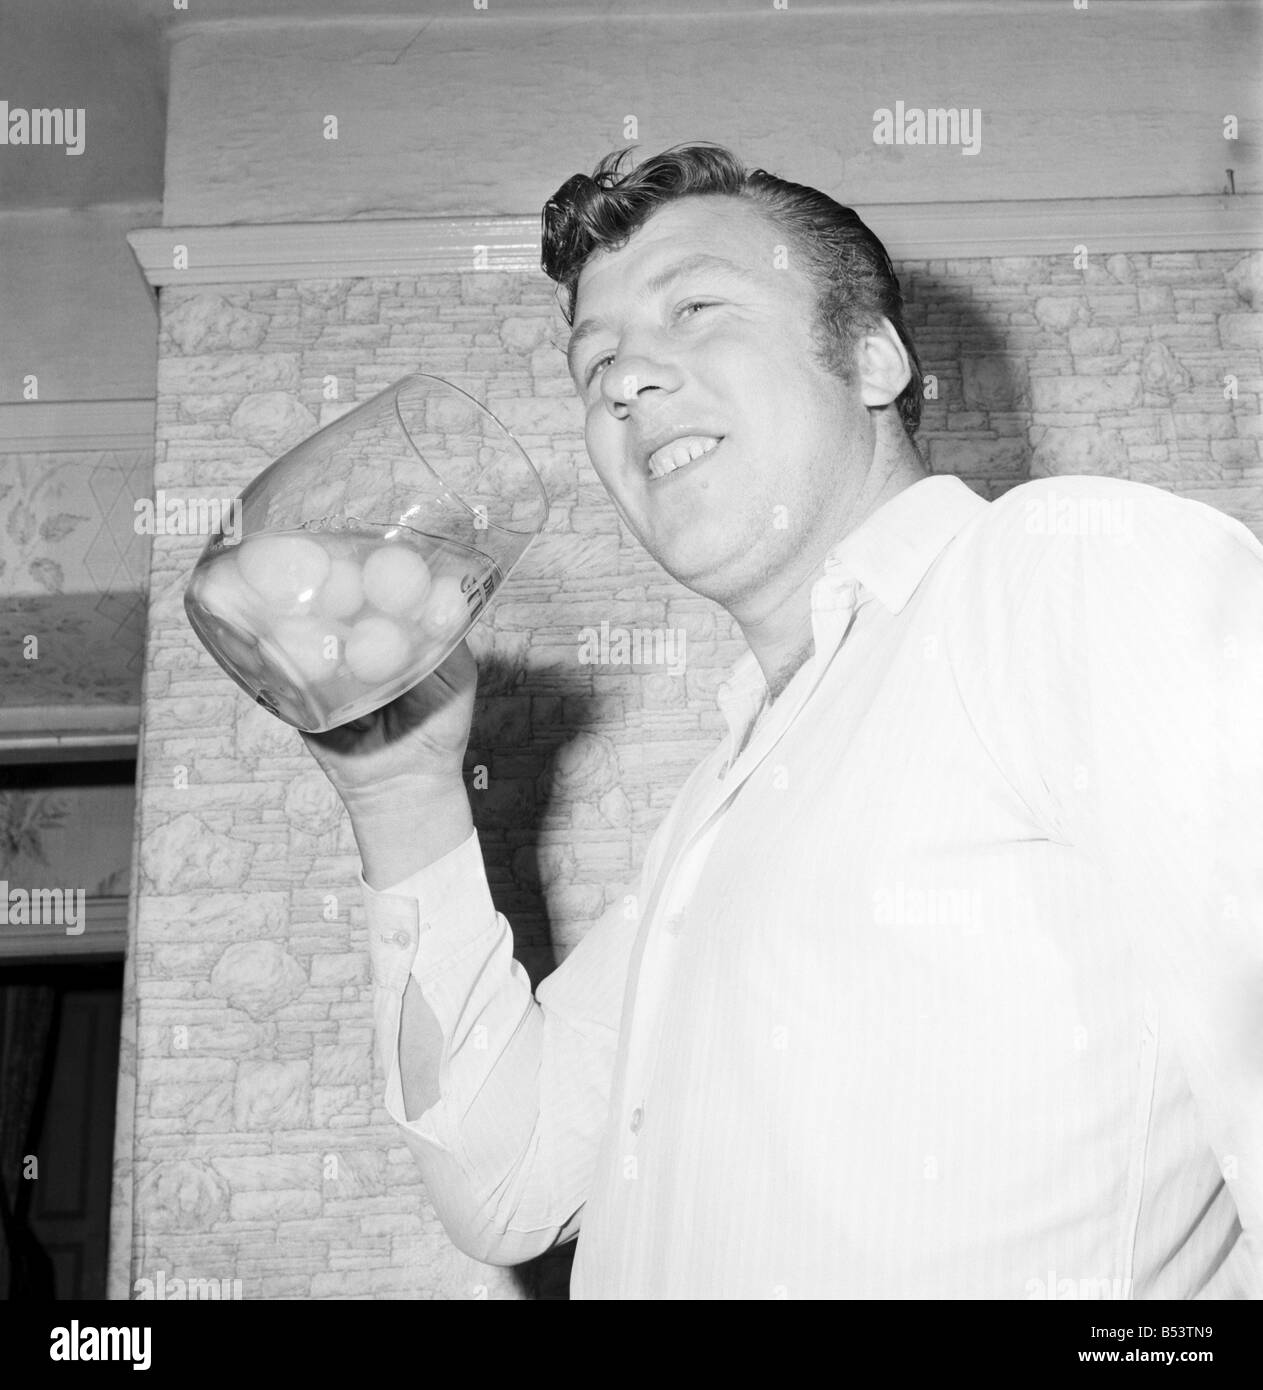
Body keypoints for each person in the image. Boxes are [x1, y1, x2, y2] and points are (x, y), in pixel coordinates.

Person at [302, 143, 1263, 1299]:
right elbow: (505, 1184)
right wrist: (401, 796)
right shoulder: (714, 813)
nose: (621, 378)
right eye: (593, 357)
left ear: (870, 356)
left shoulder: (1060, 572)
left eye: (695, 307)